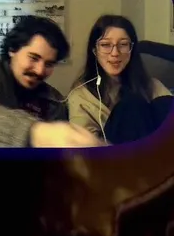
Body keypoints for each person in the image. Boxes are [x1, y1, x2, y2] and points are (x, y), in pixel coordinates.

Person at [0, 15, 102, 148]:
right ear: (12, 49)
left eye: (49, 64)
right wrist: (38, 133)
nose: (40, 70)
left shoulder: (54, 101)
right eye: (33, 58)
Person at [67, 14, 173, 145]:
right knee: (131, 105)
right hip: (114, 153)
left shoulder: (151, 85)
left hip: (159, 148)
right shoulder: (80, 96)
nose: (115, 53)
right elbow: (83, 146)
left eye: (123, 44)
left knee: (164, 102)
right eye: (106, 45)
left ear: (131, 49)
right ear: (95, 50)